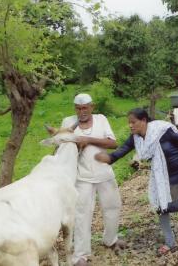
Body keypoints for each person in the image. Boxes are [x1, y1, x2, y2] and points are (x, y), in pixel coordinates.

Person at [95, 108, 178, 255]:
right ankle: (170, 242)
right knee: (161, 205)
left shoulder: (162, 130)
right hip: (163, 175)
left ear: (144, 121)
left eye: (133, 122)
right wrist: (106, 158)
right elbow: (118, 153)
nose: (130, 126)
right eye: (129, 123)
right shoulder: (135, 138)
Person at [62, 93, 125, 266]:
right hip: (82, 177)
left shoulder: (101, 119)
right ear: (74, 108)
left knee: (112, 206)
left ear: (92, 107)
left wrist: (88, 140)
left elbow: (113, 143)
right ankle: (81, 255)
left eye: (85, 108)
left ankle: (111, 240)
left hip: (104, 173)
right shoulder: (68, 122)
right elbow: (61, 146)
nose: (81, 111)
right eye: (78, 108)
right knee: (82, 214)